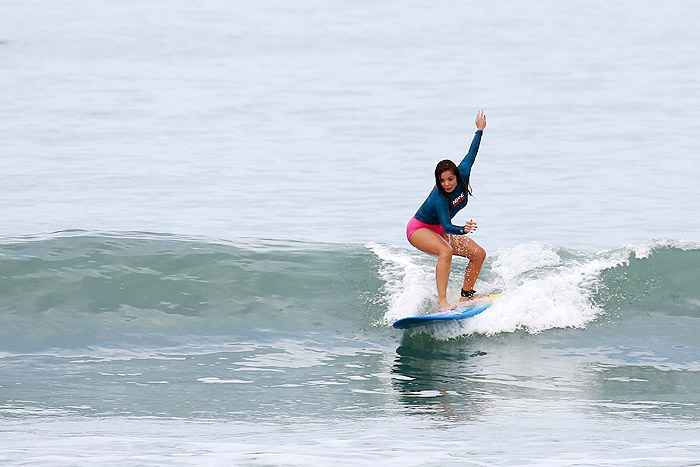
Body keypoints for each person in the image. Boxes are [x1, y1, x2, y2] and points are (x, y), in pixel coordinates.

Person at [406, 110, 487, 311]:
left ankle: (467, 295)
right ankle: (442, 302)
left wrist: (479, 130)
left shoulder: (464, 172)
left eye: (450, 179)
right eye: (442, 181)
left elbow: (472, 153)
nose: (447, 184)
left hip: (437, 229)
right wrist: (464, 229)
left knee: (478, 254)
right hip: (419, 229)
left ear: (456, 176)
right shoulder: (440, 197)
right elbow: (447, 226)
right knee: (446, 250)